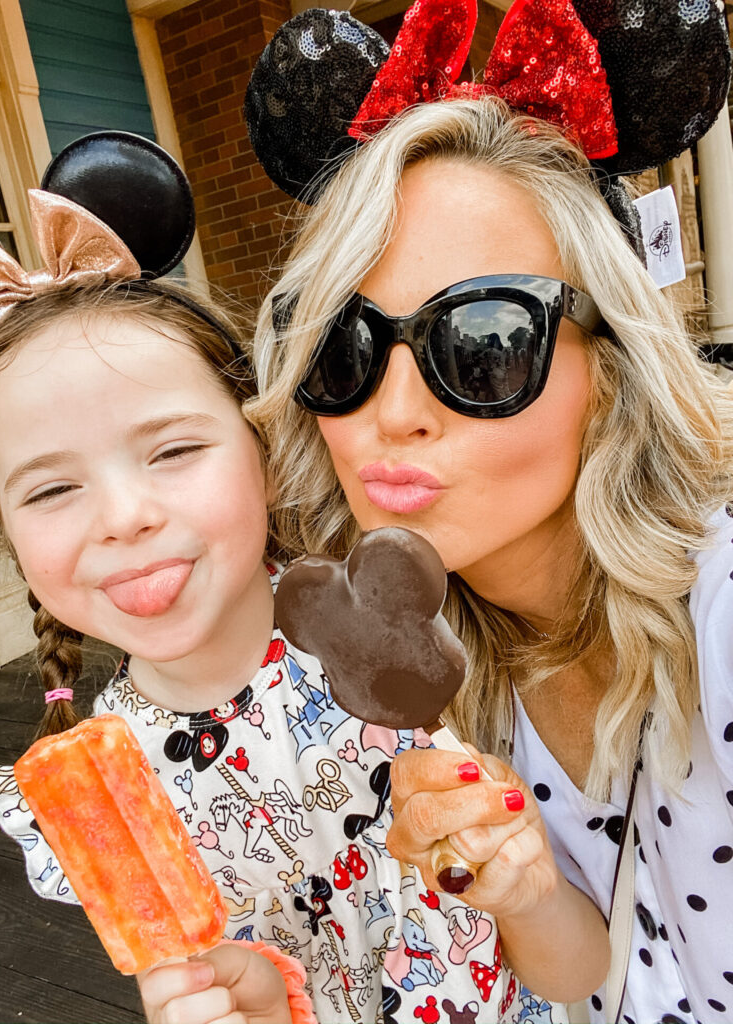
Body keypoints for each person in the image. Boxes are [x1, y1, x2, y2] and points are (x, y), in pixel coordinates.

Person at [0, 138, 561, 1024]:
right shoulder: (101, 793)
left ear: (269, 456)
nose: (123, 516)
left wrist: (528, 895)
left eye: (173, 450)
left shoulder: (416, 624)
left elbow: (574, 966)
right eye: (52, 488)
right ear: (7, 535)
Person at [244, 3, 733, 1022]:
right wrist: (521, 892)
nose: (394, 415)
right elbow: (589, 979)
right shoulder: (452, 663)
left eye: (482, 341)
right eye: (345, 348)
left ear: (612, 367)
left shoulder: (721, 610)